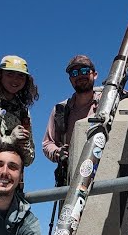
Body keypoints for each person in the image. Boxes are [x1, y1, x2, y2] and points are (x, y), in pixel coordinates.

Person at [42, 55, 98, 186]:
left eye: (84, 71)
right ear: (70, 80)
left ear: (95, 75)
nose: (80, 75)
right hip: (71, 178)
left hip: (105, 171)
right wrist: (58, 152)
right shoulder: (60, 110)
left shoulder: (109, 100)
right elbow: (47, 143)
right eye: (74, 73)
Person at [0, 54, 38, 169]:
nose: (15, 80)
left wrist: (21, 147)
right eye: (10, 74)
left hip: (8, 173)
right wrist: (9, 139)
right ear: (0, 75)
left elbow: (29, 159)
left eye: (21, 76)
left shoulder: (23, 112)